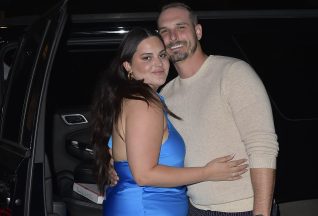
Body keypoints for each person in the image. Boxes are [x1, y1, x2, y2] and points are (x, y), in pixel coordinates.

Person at [91, 27, 248, 216]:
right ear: (128, 66)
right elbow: (144, 175)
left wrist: (113, 167)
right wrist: (208, 172)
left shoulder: (143, 98)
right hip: (145, 208)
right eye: (147, 58)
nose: (158, 63)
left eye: (162, 55)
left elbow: (119, 155)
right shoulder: (143, 104)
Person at [156, 3, 280, 216]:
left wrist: (261, 213)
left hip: (244, 208)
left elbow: (263, 147)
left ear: (198, 31)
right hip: (195, 209)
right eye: (165, 31)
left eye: (181, 27)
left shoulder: (232, 73)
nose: (173, 37)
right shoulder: (166, 94)